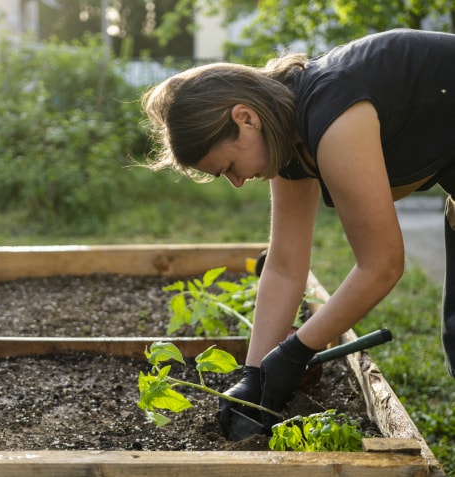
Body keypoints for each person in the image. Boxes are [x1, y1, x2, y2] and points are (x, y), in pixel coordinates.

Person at [140, 28, 455, 437]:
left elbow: (381, 265)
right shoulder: (286, 137)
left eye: (229, 168)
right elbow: (286, 265)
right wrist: (254, 377)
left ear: (245, 118)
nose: (237, 183)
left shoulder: (334, 116)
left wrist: (297, 350)